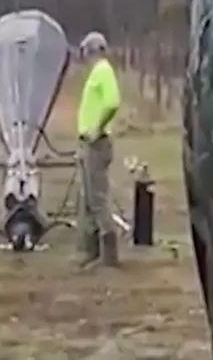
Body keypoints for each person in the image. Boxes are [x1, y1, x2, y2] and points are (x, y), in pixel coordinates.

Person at [75, 31, 121, 268]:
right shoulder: (97, 73)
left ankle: (109, 257)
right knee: (89, 199)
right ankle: (92, 252)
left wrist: (97, 128)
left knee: (99, 199)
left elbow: (112, 102)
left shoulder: (103, 71)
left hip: (97, 143)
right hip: (88, 144)